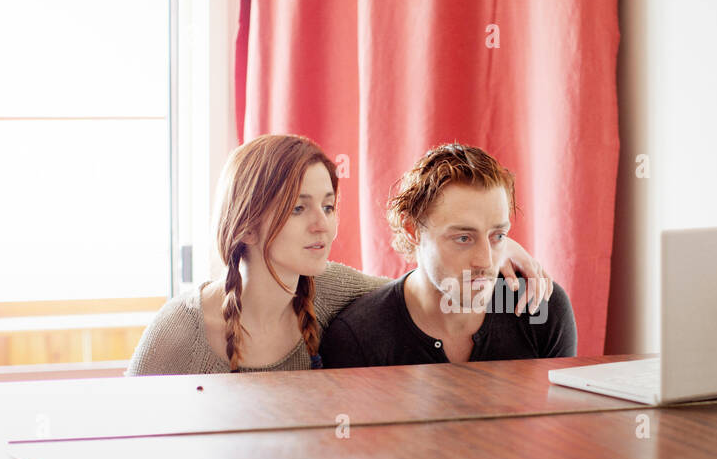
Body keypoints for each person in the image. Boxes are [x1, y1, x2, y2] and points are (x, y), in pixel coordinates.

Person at [126, 134, 553, 375]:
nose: (322, 224)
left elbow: (420, 290)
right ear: (247, 222)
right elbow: (124, 441)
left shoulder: (333, 290)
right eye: (299, 207)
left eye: (328, 206)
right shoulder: (180, 333)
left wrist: (493, 245)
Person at [319, 143, 576, 367]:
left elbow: (561, 420)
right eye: (464, 238)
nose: (486, 262)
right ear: (412, 230)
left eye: (497, 236)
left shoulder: (540, 309)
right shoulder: (359, 336)